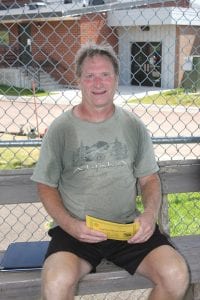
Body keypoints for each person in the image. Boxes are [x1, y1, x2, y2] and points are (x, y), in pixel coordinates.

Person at [31, 42, 189, 300]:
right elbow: (45, 185)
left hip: (127, 230)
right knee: (56, 283)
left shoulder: (133, 126)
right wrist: (71, 225)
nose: (98, 83)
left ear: (116, 79)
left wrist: (149, 216)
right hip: (76, 232)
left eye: (105, 75)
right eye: (90, 76)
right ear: (79, 81)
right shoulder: (61, 129)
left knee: (176, 275)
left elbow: (149, 179)